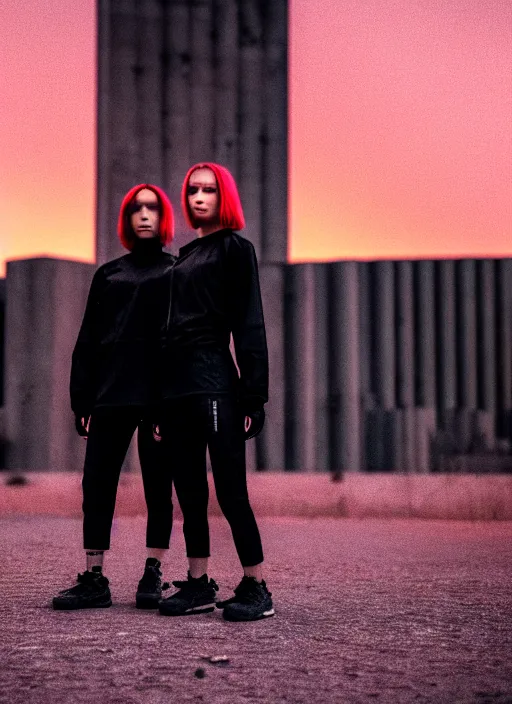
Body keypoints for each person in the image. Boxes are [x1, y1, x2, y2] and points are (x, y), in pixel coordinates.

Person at [157, 162, 274, 621]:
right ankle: (199, 582)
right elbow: (166, 334)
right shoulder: (182, 257)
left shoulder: (234, 250)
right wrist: (159, 403)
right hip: (177, 390)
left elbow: (250, 323)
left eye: (208, 190)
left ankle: (257, 585)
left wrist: (253, 395)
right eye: (191, 191)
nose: (198, 198)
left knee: (230, 491)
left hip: (215, 386)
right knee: (188, 491)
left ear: (223, 196)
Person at [53, 184, 176, 611]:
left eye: (152, 208)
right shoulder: (108, 274)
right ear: (126, 219)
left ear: (164, 219)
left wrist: (172, 399)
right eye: (136, 209)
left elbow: (181, 342)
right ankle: (94, 576)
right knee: (97, 485)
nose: (144, 215)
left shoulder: (176, 272)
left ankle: (152, 571)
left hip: (159, 399)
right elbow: (88, 341)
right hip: (110, 395)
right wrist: (80, 400)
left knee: (159, 486)